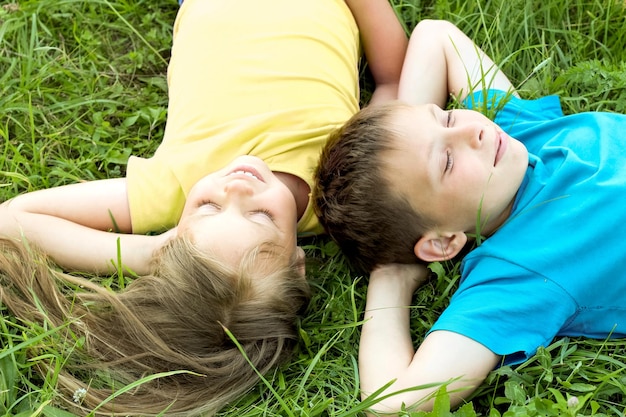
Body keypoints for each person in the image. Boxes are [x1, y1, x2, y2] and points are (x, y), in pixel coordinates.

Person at [0, 0, 407, 415]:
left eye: (209, 207)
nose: (237, 189)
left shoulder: (176, 185)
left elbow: (11, 219)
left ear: (177, 231)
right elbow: (392, 86)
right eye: (262, 217)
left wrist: (150, 254)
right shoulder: (342, 185)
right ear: (297, 262)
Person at [313, 19, 626, 414]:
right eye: (445, 161)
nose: (469, 131)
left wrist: (408, 132)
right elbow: (391, 403)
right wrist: (391, 275)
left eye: (444, 117)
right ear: (443, 241)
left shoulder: (515, 135)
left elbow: (435, 36)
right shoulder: (518, 273)